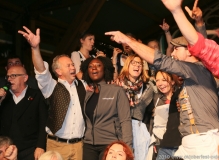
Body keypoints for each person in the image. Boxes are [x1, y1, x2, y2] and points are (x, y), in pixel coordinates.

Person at [105, 17, 219, 160]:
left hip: (203, 140)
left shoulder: (196, 70)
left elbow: (161, 60)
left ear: (190, 52)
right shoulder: (191, 77)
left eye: (176, 49)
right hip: (190, 141)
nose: (172, 54)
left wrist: (129, 41)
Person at [159, 0, 219, 159]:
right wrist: (177, 12)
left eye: (177, 49)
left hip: (206, 138)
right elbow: (201, 47)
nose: (174, 54)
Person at [18, 26, 86, 160]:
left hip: (79, 145)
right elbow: (41, 70)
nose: (73, 67)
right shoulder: (51, 86)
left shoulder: (82, 85)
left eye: (73, 64)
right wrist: (35, 48)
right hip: (57, 145)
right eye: (68, 65)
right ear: (59, 72)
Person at [80, 56, 132, 160]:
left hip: (110, 145)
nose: (94, 68)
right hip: (88, 145)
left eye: (98, 65)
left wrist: (128, 149)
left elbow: (125, 121)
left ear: (105, 69)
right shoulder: (87, 93)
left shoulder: (117, 91)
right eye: (90, 66)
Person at [0, 66, 48, 160]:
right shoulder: (4, 97)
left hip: (30, 149)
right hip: (6, 150)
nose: (9, 79)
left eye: (13, 76)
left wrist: (40, 145)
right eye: (8, 77)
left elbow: (43, 122)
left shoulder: (36, 95)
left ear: (25, 78)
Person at [114, 54, 155, 160]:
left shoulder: (148, 87)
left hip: (140, 128)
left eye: (140, 64)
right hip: (121, 128)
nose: (137, 66)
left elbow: (152, 108)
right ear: (127, 65)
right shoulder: (117, 85)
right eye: (134, 63)